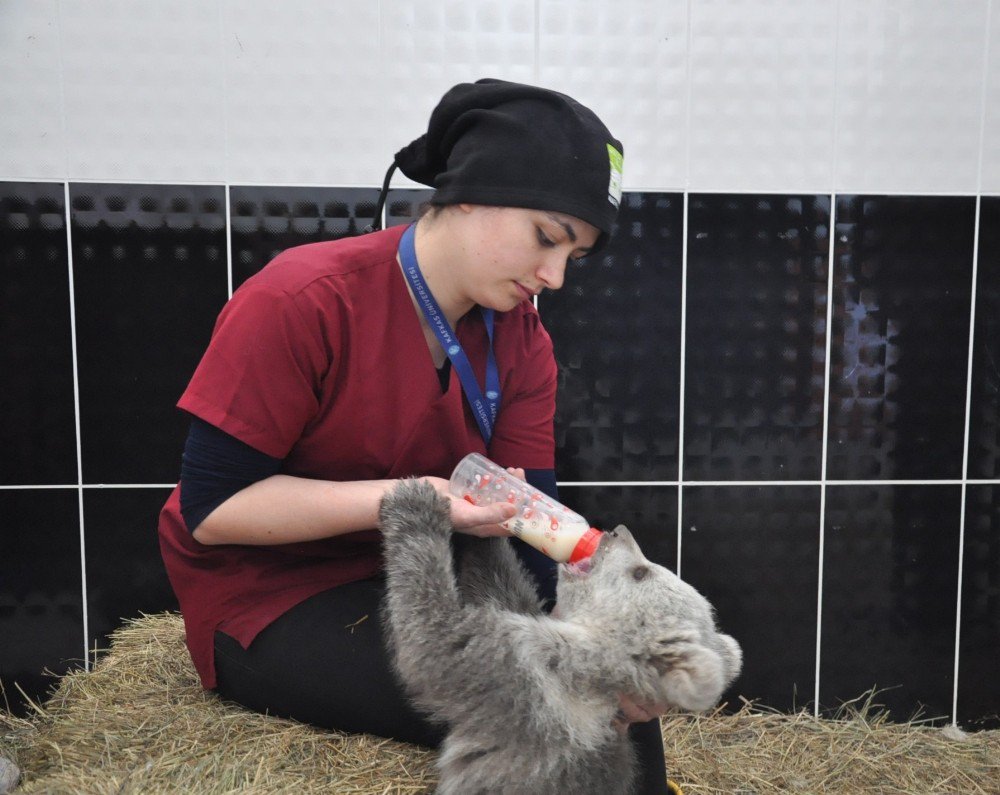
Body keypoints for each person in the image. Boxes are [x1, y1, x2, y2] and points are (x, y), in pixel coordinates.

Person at [158, 77, 673, 793]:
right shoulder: (301, 300)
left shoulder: (521, 340)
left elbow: (538, 534)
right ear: (468, 192)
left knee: (603, 688)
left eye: (574, 257)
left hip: (420, 578)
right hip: (273, 593)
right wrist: (414, 501)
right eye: (547, 238)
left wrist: (597, 632)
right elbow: (212, 512)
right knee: (536, 700)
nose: (554, 276)